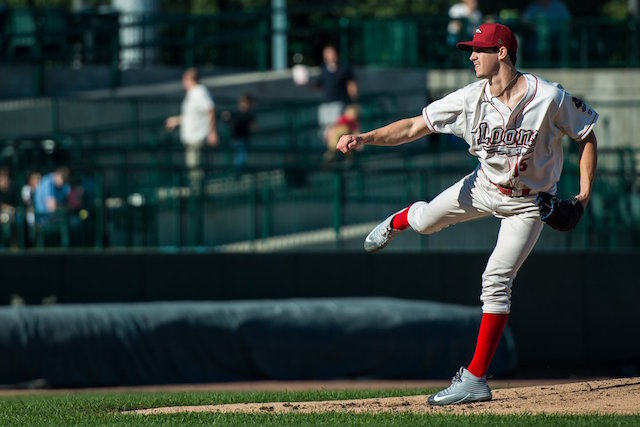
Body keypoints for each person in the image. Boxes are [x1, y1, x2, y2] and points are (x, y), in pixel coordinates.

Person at [337, 23, 598, 406]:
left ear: (503, 52)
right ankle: (400, 219)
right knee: (424, 223)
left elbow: (587, 134)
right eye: (471, 50)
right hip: (482, 187)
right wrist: (366, 138)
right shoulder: (468, 99)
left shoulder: (550, 97)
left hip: (529, 204)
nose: (472, 56)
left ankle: (475, 379)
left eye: (479, 49)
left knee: (496, 279)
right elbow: (414, 126)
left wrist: (584, 195)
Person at [165, 68, 218, 186]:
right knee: (193, 168)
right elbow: (191, 116)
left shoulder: (199, 92)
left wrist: (212, 132)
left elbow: (210, 110)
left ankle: (198, 194)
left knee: (196, 169)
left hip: (197, 136)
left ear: (189, 79)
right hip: (191, 136)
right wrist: (176, 121)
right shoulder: (191, 94)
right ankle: (198, 191)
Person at [315, 45, 358, 137]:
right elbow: (318, 85)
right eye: (328, 53)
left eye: (332, 52)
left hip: (340, 104)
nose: (331, 55)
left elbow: (351, 86)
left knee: (340, 130)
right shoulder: (323, 69)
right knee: (326, 132)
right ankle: (332, 150)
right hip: (327, 105)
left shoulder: (344, 68)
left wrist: (353, 102)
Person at [221, 93, 256, 173]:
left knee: (241, 156)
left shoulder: (248, 114)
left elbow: (254, 126)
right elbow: (226, 116)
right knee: (239, 156)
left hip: (243, 138)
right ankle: (236, 172)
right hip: (236, 138)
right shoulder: (236, 113)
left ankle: (238, 172)